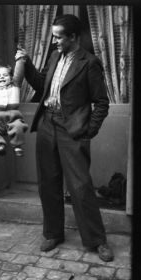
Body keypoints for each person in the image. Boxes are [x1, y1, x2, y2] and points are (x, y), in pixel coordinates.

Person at [15, 14, 114, 262]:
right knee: (48, 182)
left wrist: (88, 130)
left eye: (59, 37)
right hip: (47, 123)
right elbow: (41, 84)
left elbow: (101, 102)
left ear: (73, 37)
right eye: (53, 36)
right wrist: (26, 63)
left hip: (73, 130)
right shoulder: (54, 56)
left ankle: (97, 240)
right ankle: (53, 233)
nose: (54, 41)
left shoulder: (89, 63)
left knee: (80, 186)